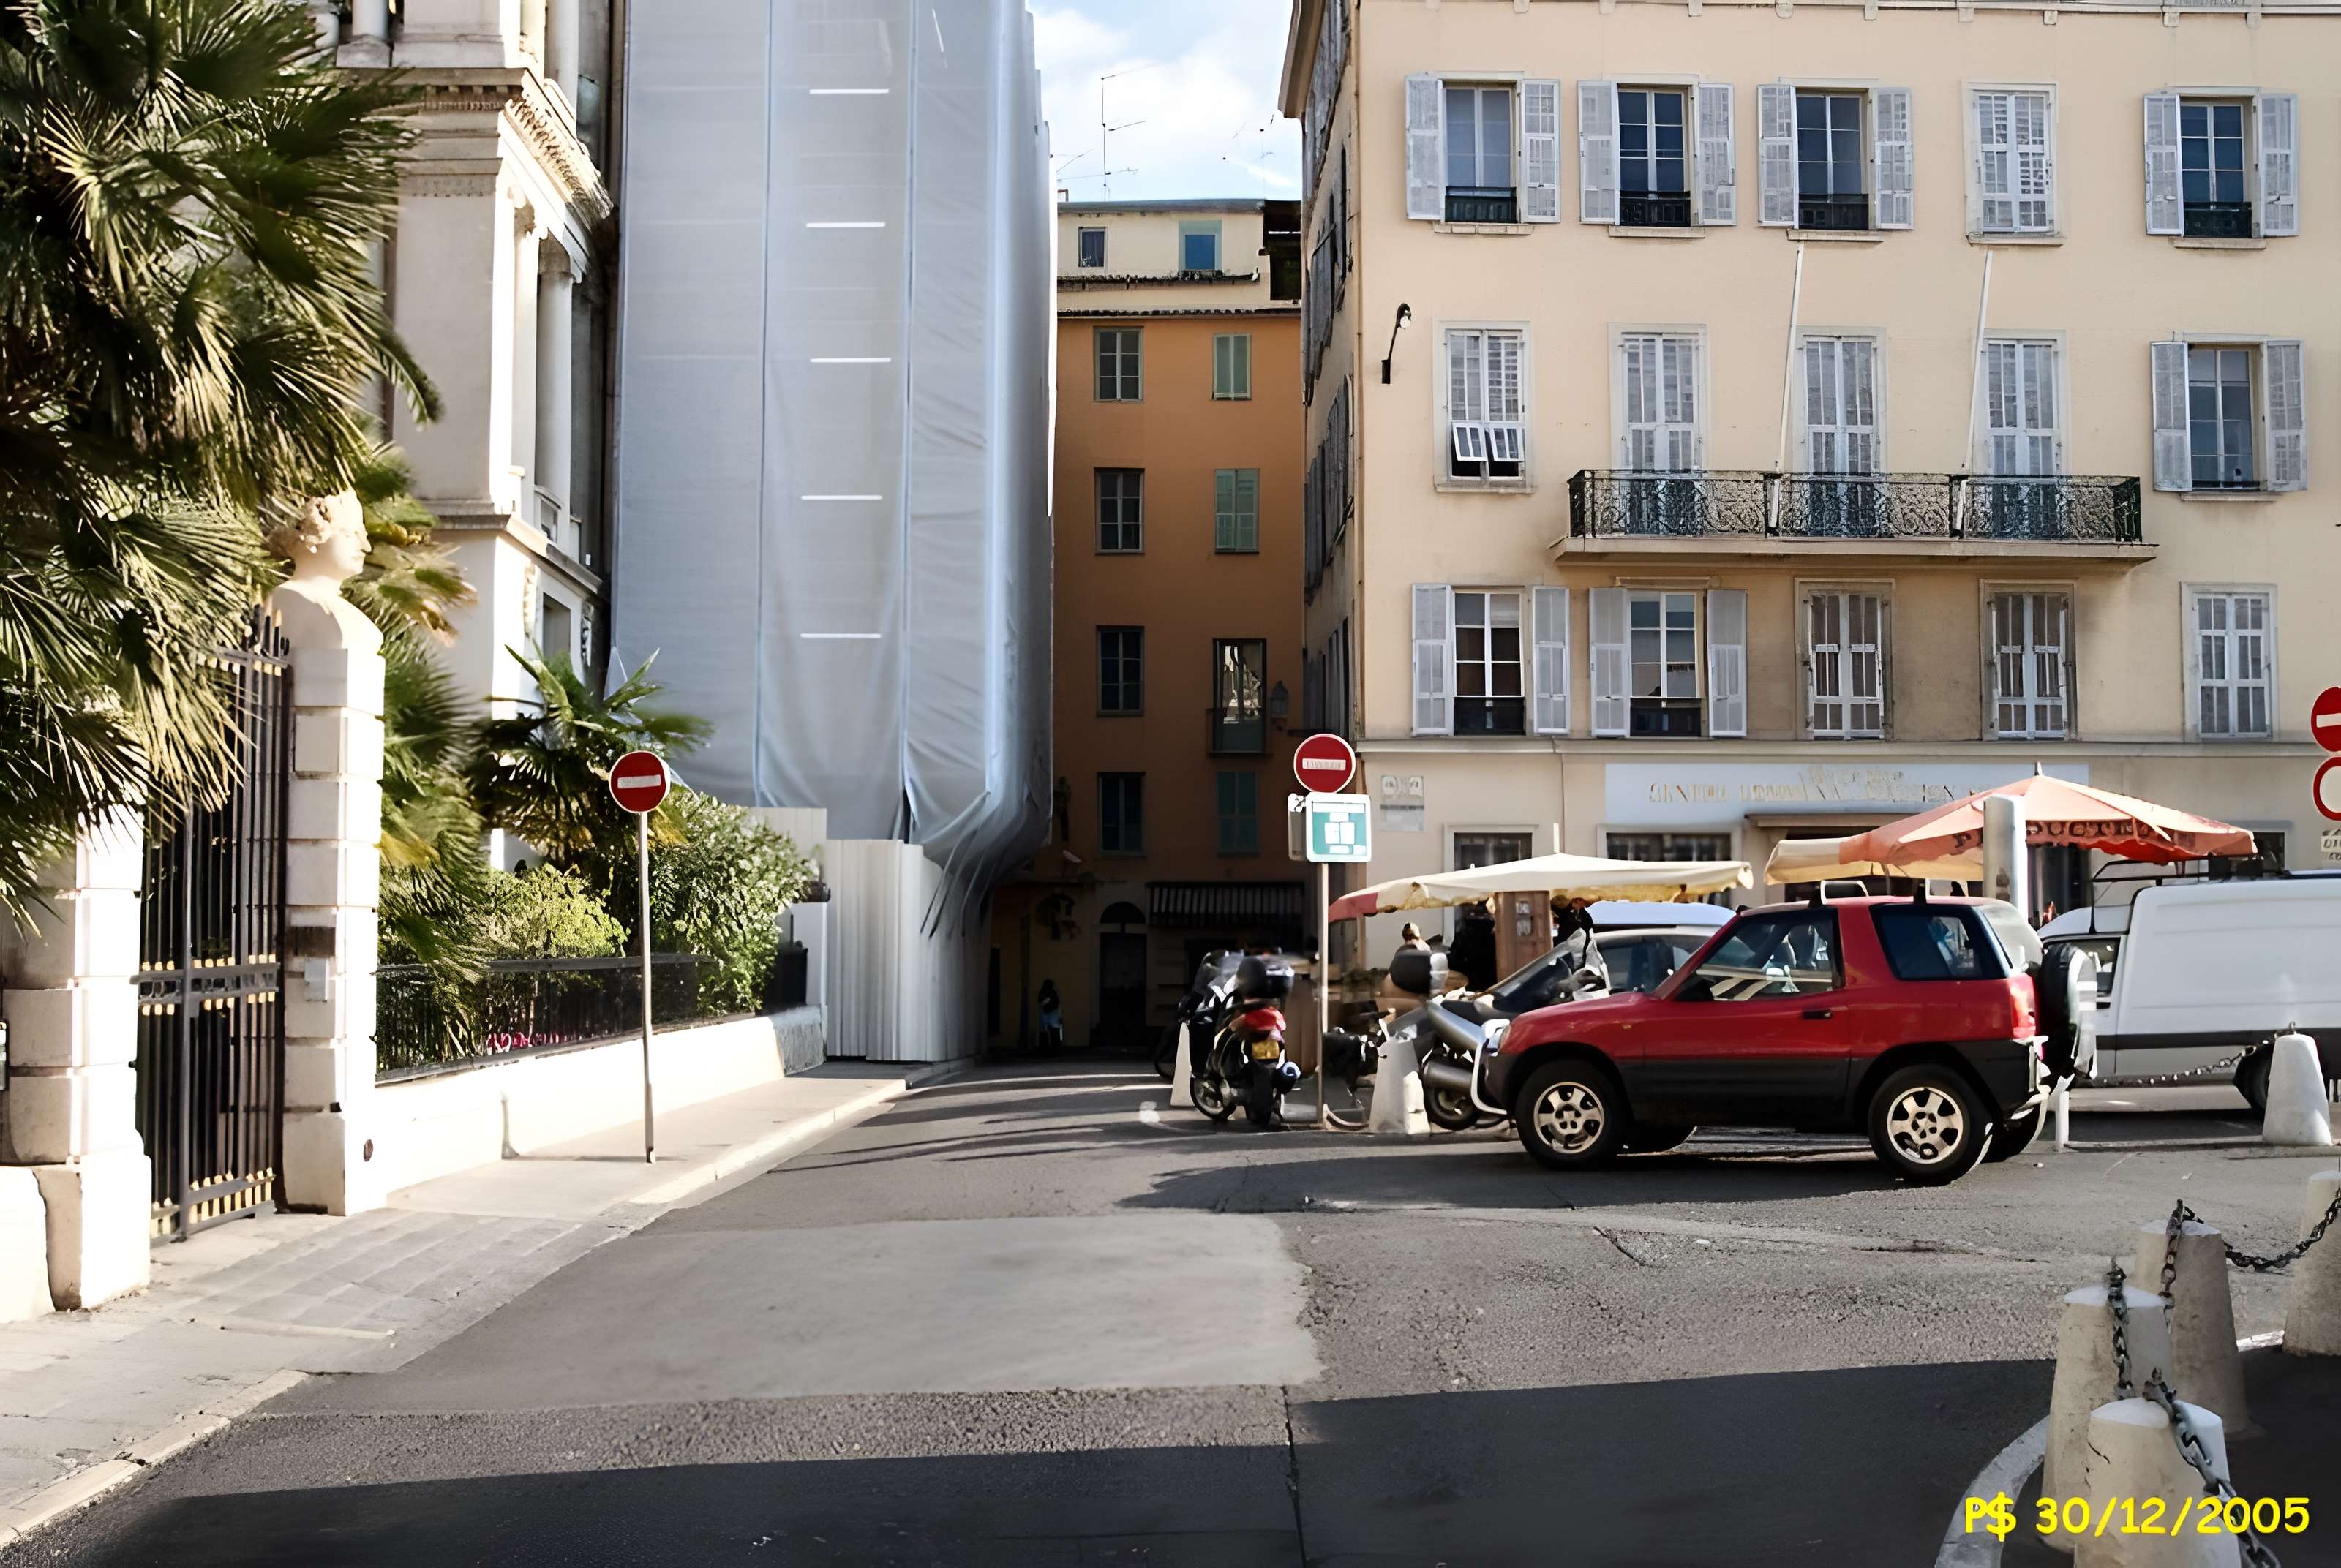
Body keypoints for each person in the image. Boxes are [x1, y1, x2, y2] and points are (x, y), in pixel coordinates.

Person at [1036, 979, 1062, 1052]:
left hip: (1049, 1012)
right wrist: (1060, 1015)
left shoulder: (1044, 991)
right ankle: (1053, 1049)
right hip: (1051, 1012)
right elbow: (1058, 1004)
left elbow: (1040, 1004)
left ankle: (1047, 1049)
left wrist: (1044, 1003)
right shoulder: (1052, 992)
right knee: (1052, 1031)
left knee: (1046, 1031)